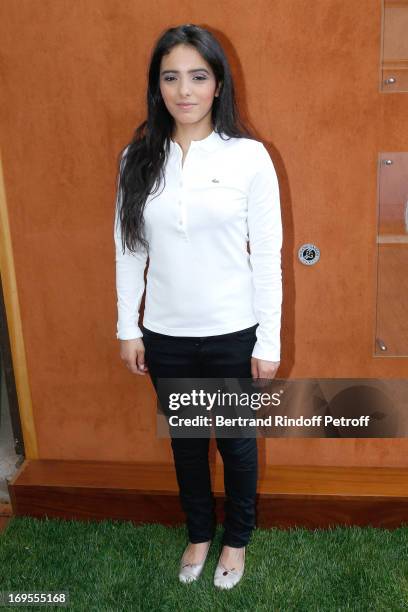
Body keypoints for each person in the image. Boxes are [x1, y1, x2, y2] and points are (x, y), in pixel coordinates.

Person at [114, 24, 283, 590]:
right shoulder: (136, 158)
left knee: (235, 444)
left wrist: (269, 342)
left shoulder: (249, 158)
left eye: (197, 76)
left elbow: (269, 258)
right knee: (186, 445)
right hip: (165, 333)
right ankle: (199, 533)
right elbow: (127, 252)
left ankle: (235, 540)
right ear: (157, 86)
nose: (184, 90)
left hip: (234, 330)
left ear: (217, 85)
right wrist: (127, 328)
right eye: (171, 77)